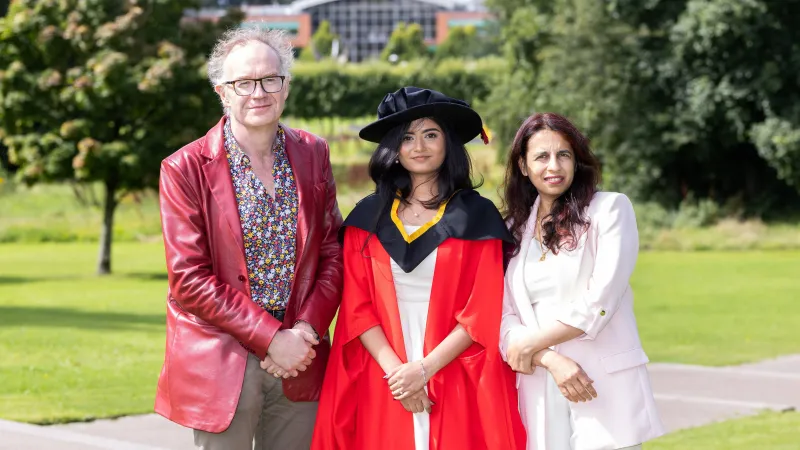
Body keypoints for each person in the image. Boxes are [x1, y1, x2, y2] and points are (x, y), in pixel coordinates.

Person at [155, 27, 343, 450]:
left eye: (269, 79)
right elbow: (189, 279)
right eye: (244, 83)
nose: (258, 92)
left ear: (286, 86)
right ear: (223, 91)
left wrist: (305, 331)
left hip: (300, 357)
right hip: (222, 359)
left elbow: (332, 250)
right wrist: (271, 338)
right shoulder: (184, 168)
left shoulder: (314, 153)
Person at [311, 87, 527, 450]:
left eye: (431, 134)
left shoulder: (477, 218)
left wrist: (424, 370)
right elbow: (357, 308)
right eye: (407, 137)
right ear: (394, 148)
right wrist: (399, 375)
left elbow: (482, 311)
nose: (419, 146)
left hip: (453, 369)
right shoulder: (368, 217)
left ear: (449, 143)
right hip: (384, 371)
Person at [500, 112, 665, 450]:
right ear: (522, 165)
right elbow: (502, 315)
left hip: (601, 384)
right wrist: (548, 358)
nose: (554, 166)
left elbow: (600, 300)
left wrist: (532, 345)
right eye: (542, 156)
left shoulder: (610, 210)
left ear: (577, 161)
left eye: (564, 154)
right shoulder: (510, 229)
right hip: (539, 385)